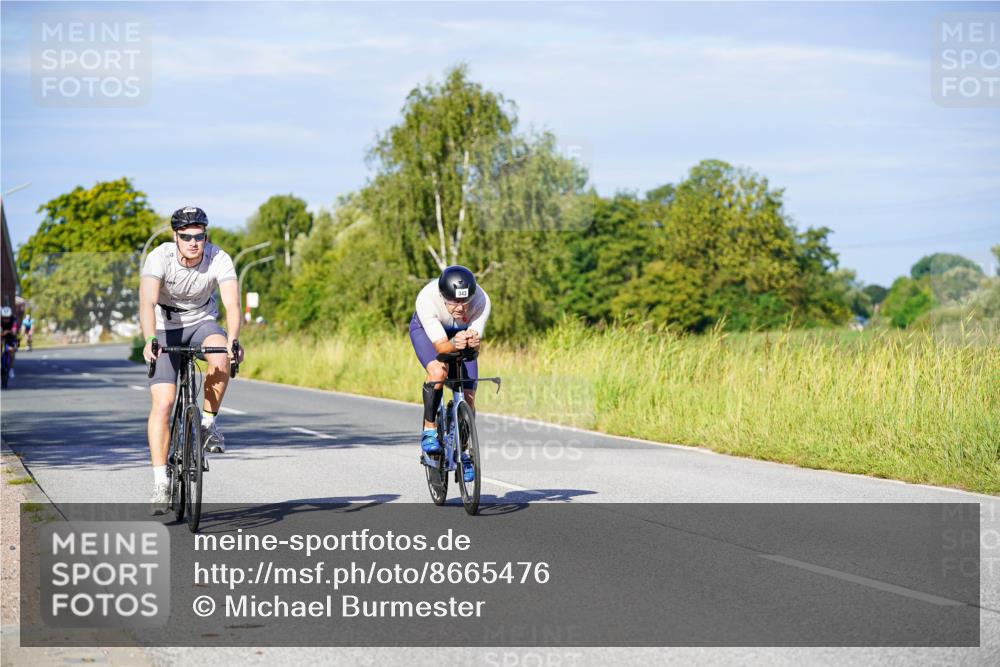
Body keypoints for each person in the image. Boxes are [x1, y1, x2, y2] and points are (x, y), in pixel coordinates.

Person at [140, 206, 244, 514]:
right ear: (176, 237)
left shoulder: (219, 258)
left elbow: (232, 304)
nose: (193, 242)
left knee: (221, 356)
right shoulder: (160, 257)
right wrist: (149, 339)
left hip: (201, 323)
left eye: (199, 236)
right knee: (163, 402)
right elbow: (146, 302)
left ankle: (207, 424)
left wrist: (233, 340)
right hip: (164, 327)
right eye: (186, 237)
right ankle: (160, 482)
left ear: (206, 236)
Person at [409, 265, 491, 483]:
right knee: (439, 371)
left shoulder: (482, 301)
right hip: (430, 334)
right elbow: (442, 348)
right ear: (443, 296)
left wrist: (473, 343)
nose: (461, 308)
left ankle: (463, 452)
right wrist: (455, 343)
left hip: (458, 335)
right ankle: (429, 429)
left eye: (466, 302)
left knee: (470, 396)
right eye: (454, 303)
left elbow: (474, 347)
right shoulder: (427, 299)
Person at [1, 307, 17, 381]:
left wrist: (10, 331)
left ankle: (11, 369)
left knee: (11, 350)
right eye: (4, 317)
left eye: (7, 318)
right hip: (1, 336)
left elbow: (14, 330)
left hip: (11, 337)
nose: (6, 319)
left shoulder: (14, 320)